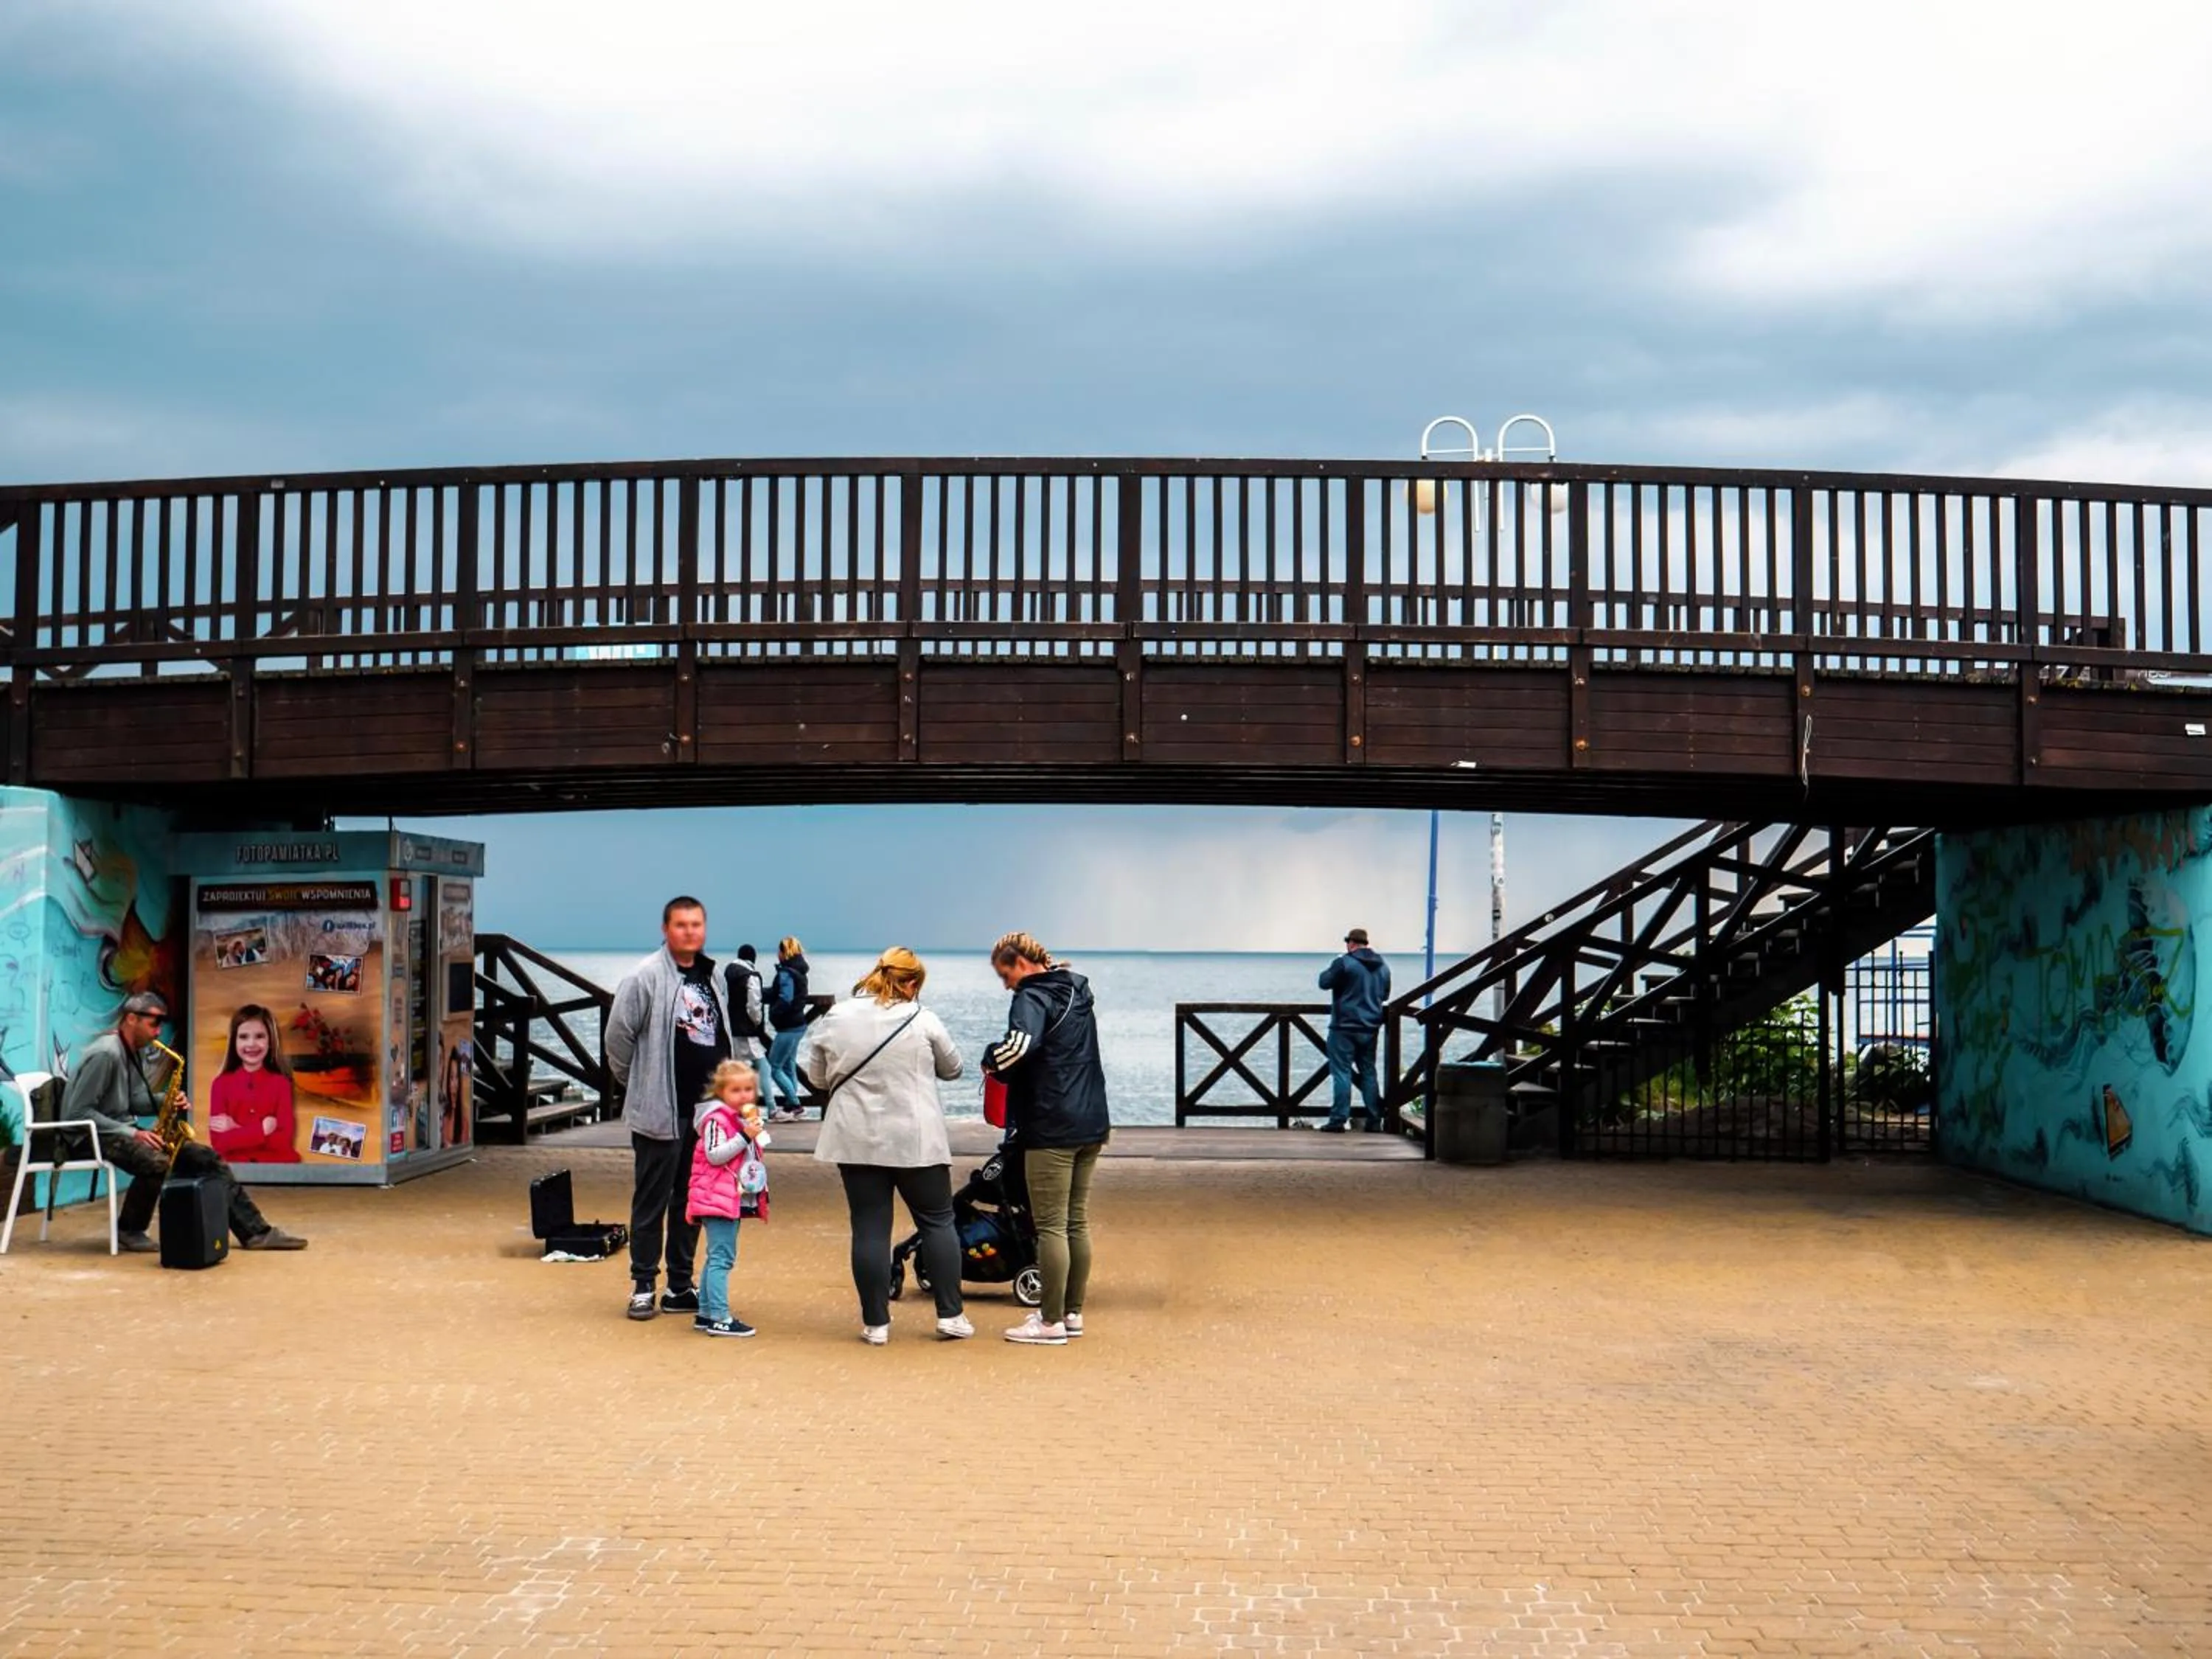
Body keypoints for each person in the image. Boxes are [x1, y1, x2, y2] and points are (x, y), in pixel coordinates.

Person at [798, 947, 971, 1344]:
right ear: (911, 984)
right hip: (916, 1138)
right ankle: (950, 1315)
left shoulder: (836, 1016)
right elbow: (953, 1068)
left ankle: (876, 1323)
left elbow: (817, 1078)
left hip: (855, 1138)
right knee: (937, 1221)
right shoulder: (922, 1018)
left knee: (869, 1227)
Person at [63, 992, 307, 1253]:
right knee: (156, 1162)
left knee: (206, 1158)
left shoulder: (133, 1051)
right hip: (85, 1136)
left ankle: (256, 1233)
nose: (158, 1032)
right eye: (154, 1024)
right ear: (132, 1019)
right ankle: (129, 1230)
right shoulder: (106, 1054)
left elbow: (133, 1101)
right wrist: (132, 1133)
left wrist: (166, 1101)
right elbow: (77, 1113)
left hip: (115, 1131)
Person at [605, 896, 731, 1322]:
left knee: (691, 1201)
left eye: (696, 924)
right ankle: (643, 1285)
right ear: (665, 929)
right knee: (651, 1202)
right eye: (681, 925)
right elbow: (617, 1039)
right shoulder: (644, 977)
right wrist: (641, 1086)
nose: (689, 932)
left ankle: (680, 1283)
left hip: (705, 1112)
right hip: (660, 1111)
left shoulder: (713, 975)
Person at [981, 931, 1110, 1346]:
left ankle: (1050, 1321)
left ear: (1020, 963)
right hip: (1091, 1119)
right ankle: (1072, 1312)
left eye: (1005, 976)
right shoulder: (1076, 990)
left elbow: (1019, 1046)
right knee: (1076, 1221)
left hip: (1051, 1123)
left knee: (1051, 1224)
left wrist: (991, 1060)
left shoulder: (1032, 996)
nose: (1007, 986)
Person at [686, 1059, 771, 1339]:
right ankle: (720, 1317)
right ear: (720, 1092)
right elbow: (715, 1155)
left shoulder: (739, 1119)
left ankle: (706, 1312)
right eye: (736, 1090)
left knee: (716, 1257)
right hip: (716, 1196)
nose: (744, 1096)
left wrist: (755, 1133)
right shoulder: (716, 1120)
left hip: (728, 1195)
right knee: (722, 1259)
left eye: (748, 1089)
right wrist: (745, 1136)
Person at [1318, 927, 1391, 1133]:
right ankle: (1374, 1120)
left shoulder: (1344, 962)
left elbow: (1324, 982)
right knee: (1369, 1072)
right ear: (1366, 944)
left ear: (1350, 944)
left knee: (1342, 1072)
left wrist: (1336, 963)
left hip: (1343, 1027)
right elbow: (1385, 995)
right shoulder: (1383, 966)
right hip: (1370, 1028)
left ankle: (1338, 1120)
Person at [207, 1004, 300, 1164]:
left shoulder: (281, 1084)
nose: (251, 1044)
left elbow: (283, 1142)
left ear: (270, 1041)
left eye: (259, 1036)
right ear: (234, 1041)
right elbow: (220, 1144)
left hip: (276, 1169)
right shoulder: (220, 1084)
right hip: (235, 1170)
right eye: (244, 1037)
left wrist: (235, 1127)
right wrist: (262, 1130)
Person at [723, 945, 780, 1117]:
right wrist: (757, 1022)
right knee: (764, 1068)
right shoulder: (751, 976)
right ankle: (772, 1109)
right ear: (753, 959)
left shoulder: (727, 973)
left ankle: (733, 1109)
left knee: (736, 1071)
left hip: (731, 1029)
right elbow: (754, 1004)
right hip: (747, 1031)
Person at [763, 937, 812, 1121]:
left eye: (779, 951)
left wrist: (774, 1013)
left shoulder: (786, 973)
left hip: (788, 1027)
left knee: (774, 1067)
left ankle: (797, 1105)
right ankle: (792, 1106)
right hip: (799, 1025)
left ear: (784, 952)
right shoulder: (800, 972)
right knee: (788, 1066)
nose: (778, 954)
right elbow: (781, 993)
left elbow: (785, 998)